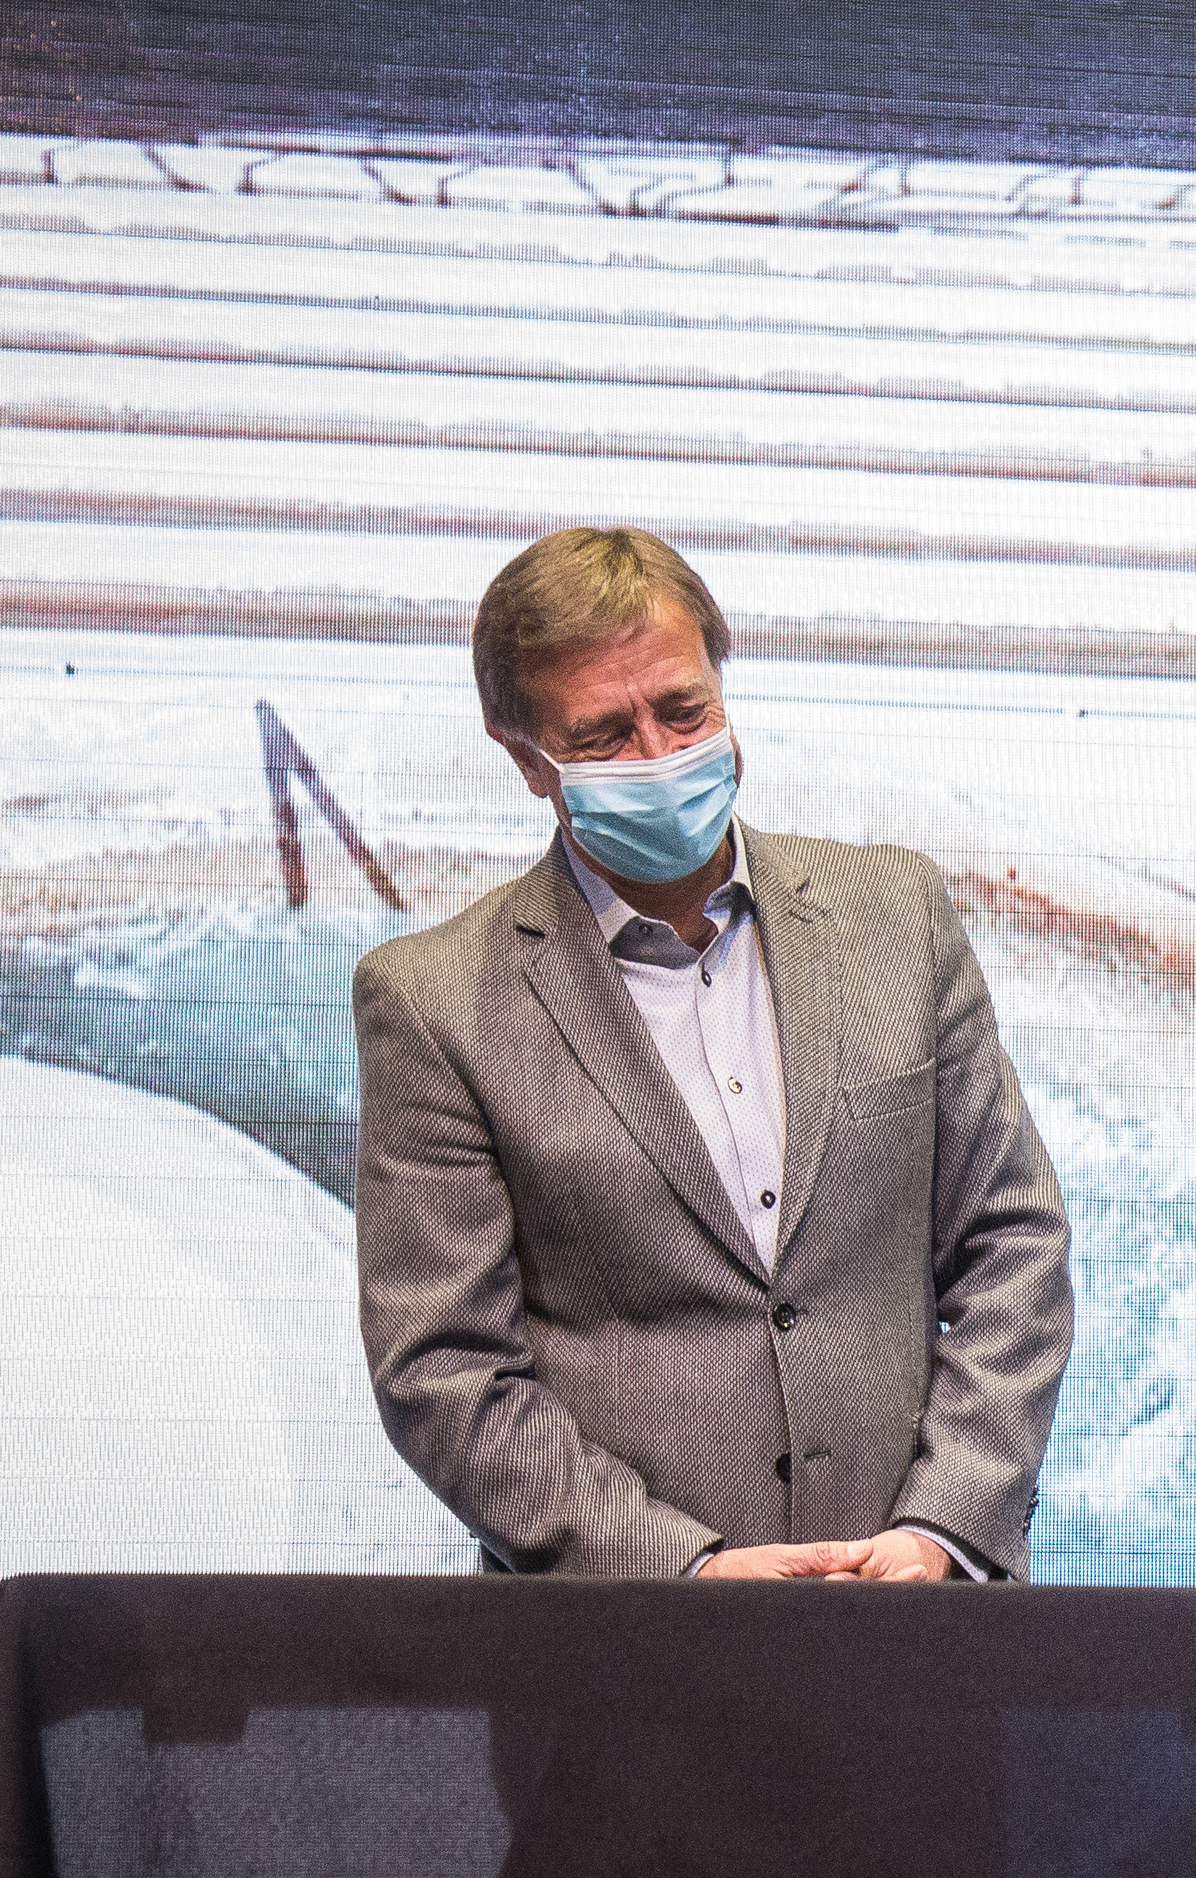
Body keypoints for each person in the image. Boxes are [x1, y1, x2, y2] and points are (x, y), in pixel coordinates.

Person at [355, 527, 1072, 1580]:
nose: (659, 755)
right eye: (605, 735)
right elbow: (447, 1371)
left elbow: (1012, 1240)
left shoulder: (897, 914)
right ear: (525, 758)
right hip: (627, 1642)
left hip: (922, 1614)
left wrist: (946, 1527)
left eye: (684, 710)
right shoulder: (433, 1002)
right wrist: (682, 1575)